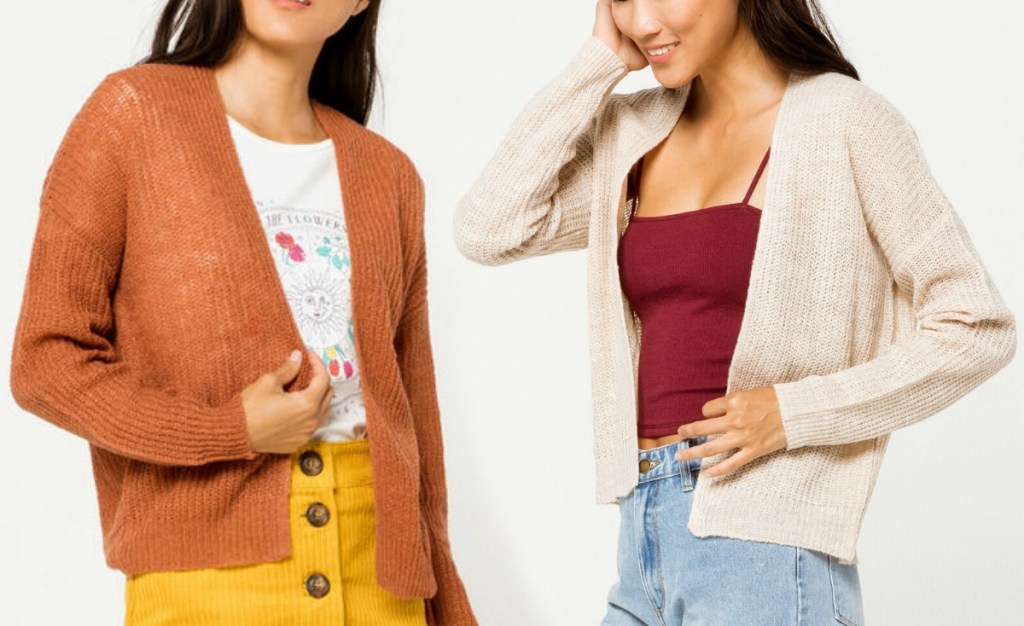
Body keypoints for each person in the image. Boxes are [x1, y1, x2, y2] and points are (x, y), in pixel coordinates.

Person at [454, 0, 1015, 623]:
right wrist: (599, 62)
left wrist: (792, 413)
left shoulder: (843, 120)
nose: (640, 22)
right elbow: (489, 228)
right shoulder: (632, 132)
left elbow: (975, 326)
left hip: (763, 555)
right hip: (642, 534)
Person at [9, 0, 476, 624]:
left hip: (382, 586)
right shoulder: (133, 116)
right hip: (206, 586)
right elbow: (45, 362)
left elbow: (414, 422)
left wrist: (449, 608)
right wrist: (230, 429)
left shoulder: (388, 175)